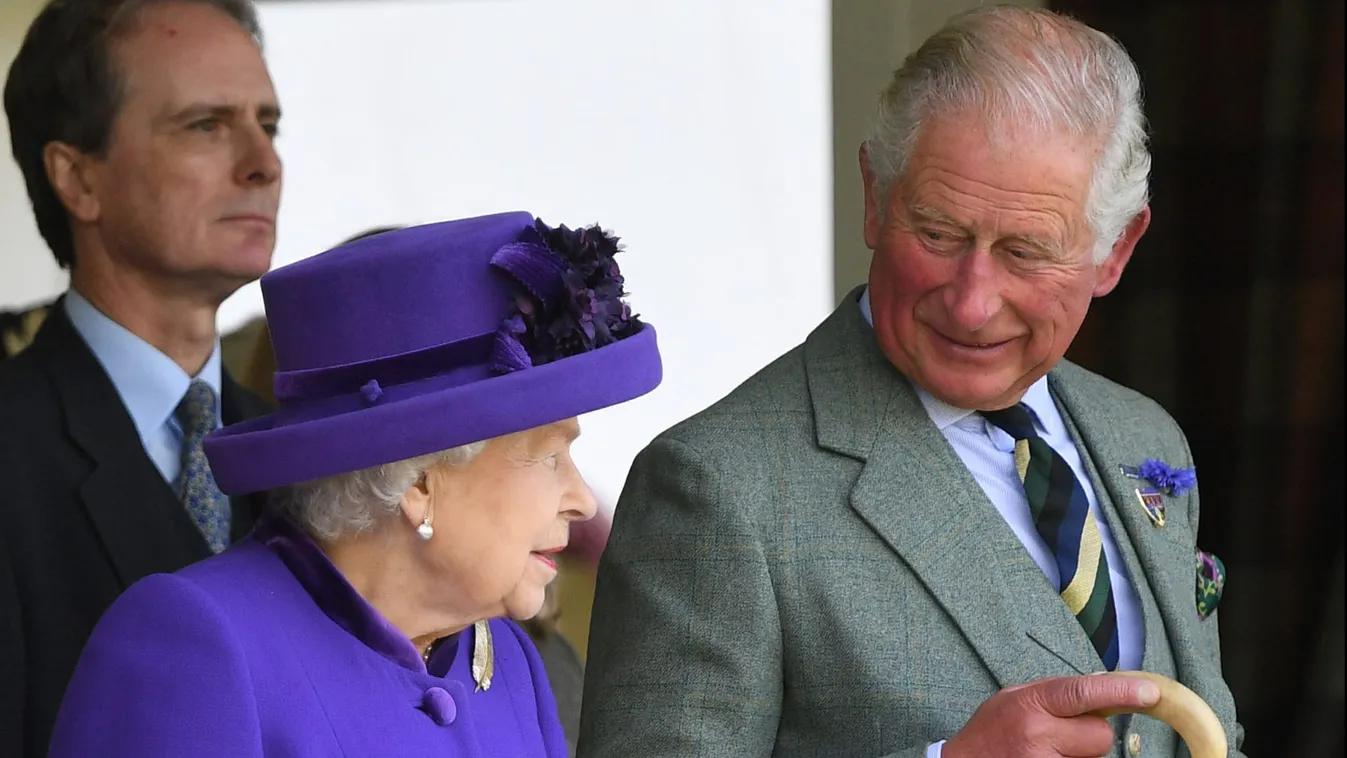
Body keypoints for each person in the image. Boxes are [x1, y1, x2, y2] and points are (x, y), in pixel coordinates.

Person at [579, 7, 1244, 758]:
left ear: (1114, 251)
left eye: (1024, 251)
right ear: (873, 197)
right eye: (937, 233)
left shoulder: (1141, 435)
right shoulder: (716, 485)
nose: (970, 300)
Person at [47, 210, 662, 757]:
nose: (583, 500)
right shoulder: (195, 650)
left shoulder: (510, 666)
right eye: (548, 457)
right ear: (421, 483)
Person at [0, 1, 281, 755]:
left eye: (268, 123)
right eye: (206, 125)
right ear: (77, 179)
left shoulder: (305, 455)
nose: (264, 162)